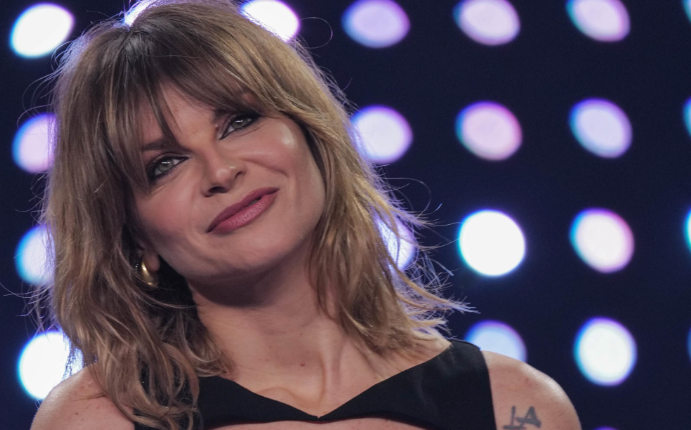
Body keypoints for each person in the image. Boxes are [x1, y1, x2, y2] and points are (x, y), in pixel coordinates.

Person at [29, 1, 581, 429]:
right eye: (165, 164)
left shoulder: (513, 406)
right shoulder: (96, 417)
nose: (220, 170)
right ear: (134, 234)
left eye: (239, 121)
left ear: (312, 135)